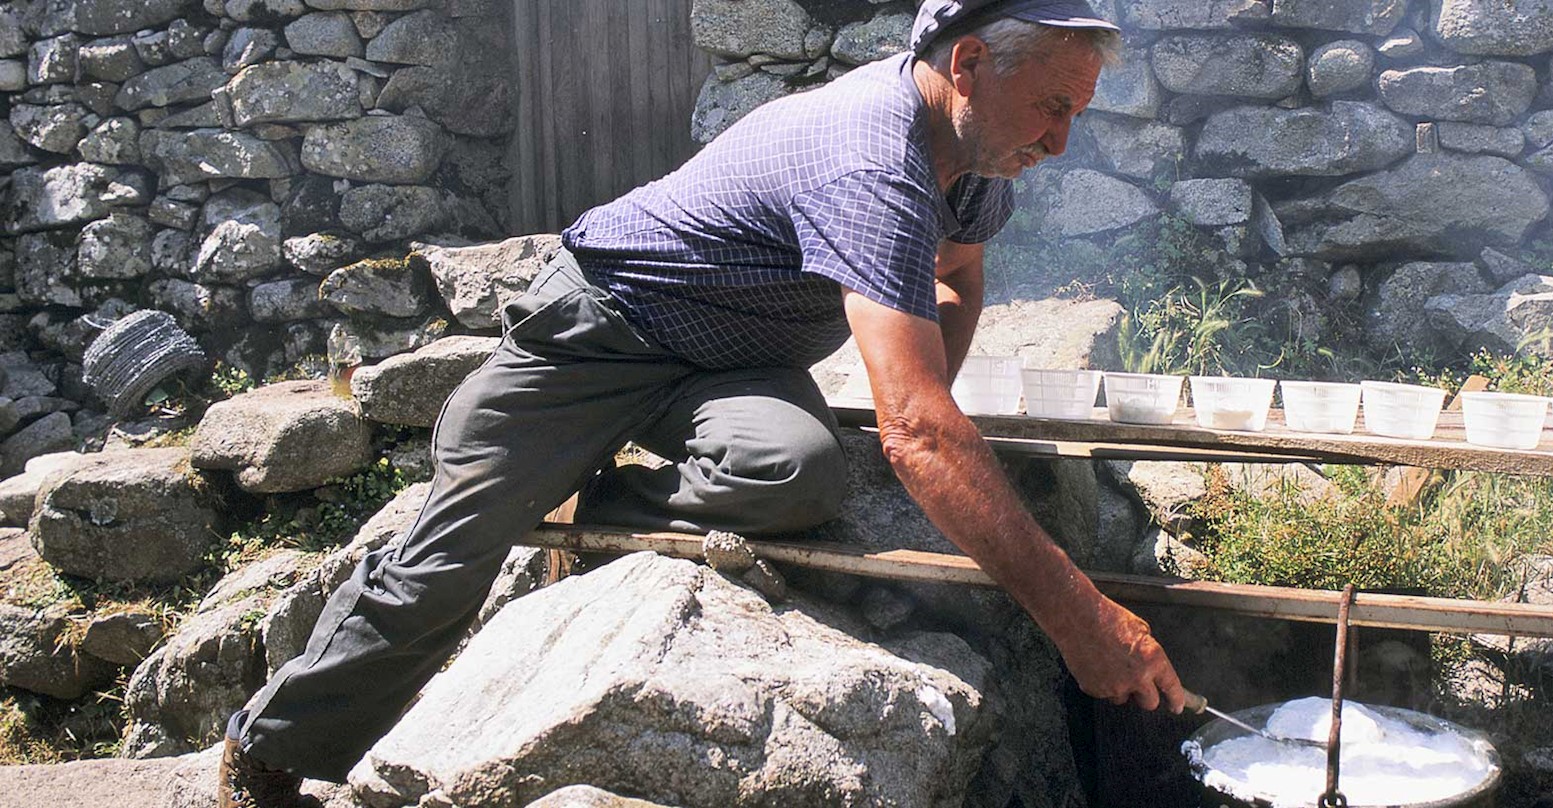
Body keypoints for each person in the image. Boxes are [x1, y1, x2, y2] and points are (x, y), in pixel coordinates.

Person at [218, 1, 1187, 805]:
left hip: (730, 364)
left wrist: (933, 388)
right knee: (448, 557)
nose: (1062, 143)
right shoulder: (869, 159)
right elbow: (917, 437)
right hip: (601, 327)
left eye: (1075, 117)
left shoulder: (971, 166)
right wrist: (1077, 615)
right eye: (1053, 109)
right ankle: (267, 749)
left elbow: (957, 278)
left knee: (796, 472)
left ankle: (601, 503)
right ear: (969, 62)